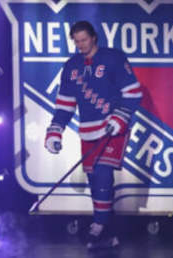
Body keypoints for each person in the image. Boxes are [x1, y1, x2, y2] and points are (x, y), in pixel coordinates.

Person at [44, 20, 142, 250]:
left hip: (112, 126)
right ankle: (110, 229)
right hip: (88, 131)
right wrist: (55, 130)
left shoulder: (114, 58)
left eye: (84, 39)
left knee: (102, 175)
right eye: (76, 41)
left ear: (94, 37)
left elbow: (133, 92)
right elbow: (65, 104)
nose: (80, 45)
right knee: (95, 181)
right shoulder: (71, 66)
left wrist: (119, 117)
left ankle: (100, 225)